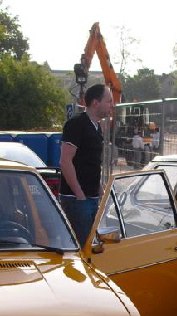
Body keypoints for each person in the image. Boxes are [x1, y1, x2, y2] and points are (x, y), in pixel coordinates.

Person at [59, 83, 114, 245]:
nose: (112, 105)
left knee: (92, 246)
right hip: (76, 199)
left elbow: (90, 163)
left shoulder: (97, 127)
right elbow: (65, 161)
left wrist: (100, 191)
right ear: (96, 103)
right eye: (109, 101)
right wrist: (79, 195)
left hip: (91, 198)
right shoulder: (76, 124)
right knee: (83, 248)